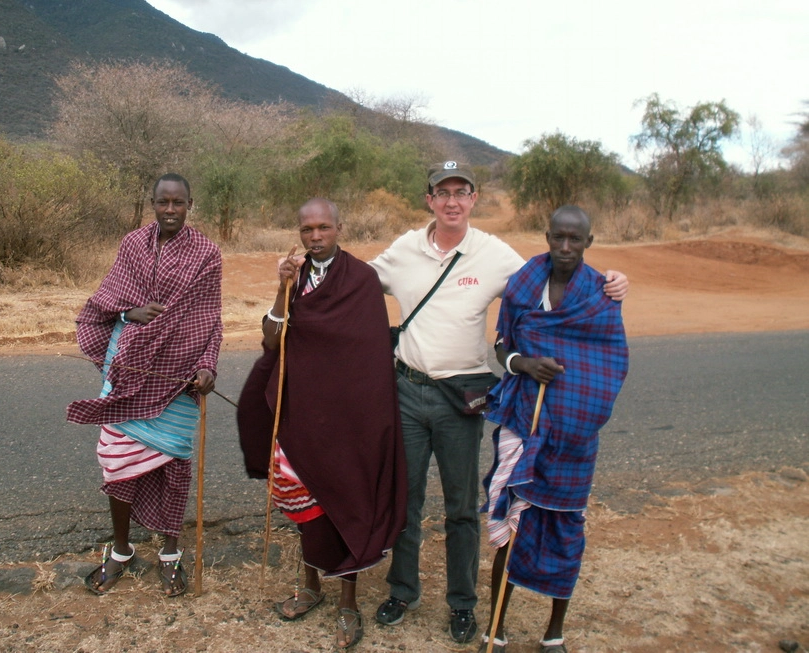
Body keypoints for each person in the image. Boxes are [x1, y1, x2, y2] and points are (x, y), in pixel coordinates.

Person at [368, 162, 629, 644]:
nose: (451, 201)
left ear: (473, 198)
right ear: (429, 199)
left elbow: (552, 273)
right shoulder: (404, 248)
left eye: (461, 192)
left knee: (463, 507)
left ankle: (462, 605)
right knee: (404, 500)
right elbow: (359, 284)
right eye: (441, 192)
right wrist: (305, 272)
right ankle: (402, 591)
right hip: (404, 389)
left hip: (461, 396)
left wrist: (611, 281)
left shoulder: (496, 255)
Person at [236, 198, 406, 650]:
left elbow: (369, 357)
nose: (315, 236)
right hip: (299, 410)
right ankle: (310, 585)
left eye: (324, 228)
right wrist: (281, 287)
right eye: (307, 228)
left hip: (348, 417)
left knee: (346, 496)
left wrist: (368, 418)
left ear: (339, 228)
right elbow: (271, 341)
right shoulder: (295, 276)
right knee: (302, 495)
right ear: (299, 231)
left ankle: (348, 600)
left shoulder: (363, 280)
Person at [478, 205, 629, 653]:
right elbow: (502, 345)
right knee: (511, 518)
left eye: (575, 240)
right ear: (546, 237)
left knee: (566, 527)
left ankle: (553, 634)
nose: (565, 247)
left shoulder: (601, 295)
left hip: (574, 434)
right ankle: (496, 629)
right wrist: (523, 363)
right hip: (524, 418)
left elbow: (610, 363)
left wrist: (579, 415)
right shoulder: (524, 283)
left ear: (588, 242)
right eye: (558, 238)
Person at [67, 172, 222, 598]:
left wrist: (208, 366)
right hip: (129, 369)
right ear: (151, 203)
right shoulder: (133, 244)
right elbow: (107, 299)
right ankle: (120, 550)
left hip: (178, 377)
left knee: (173, 464)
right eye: (162, 202)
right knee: (114, 458)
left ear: (191, 204)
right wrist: (128, 311)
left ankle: (170, 553)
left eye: (178, 202)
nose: (170, 209)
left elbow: (211, 319)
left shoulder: (208, 254)